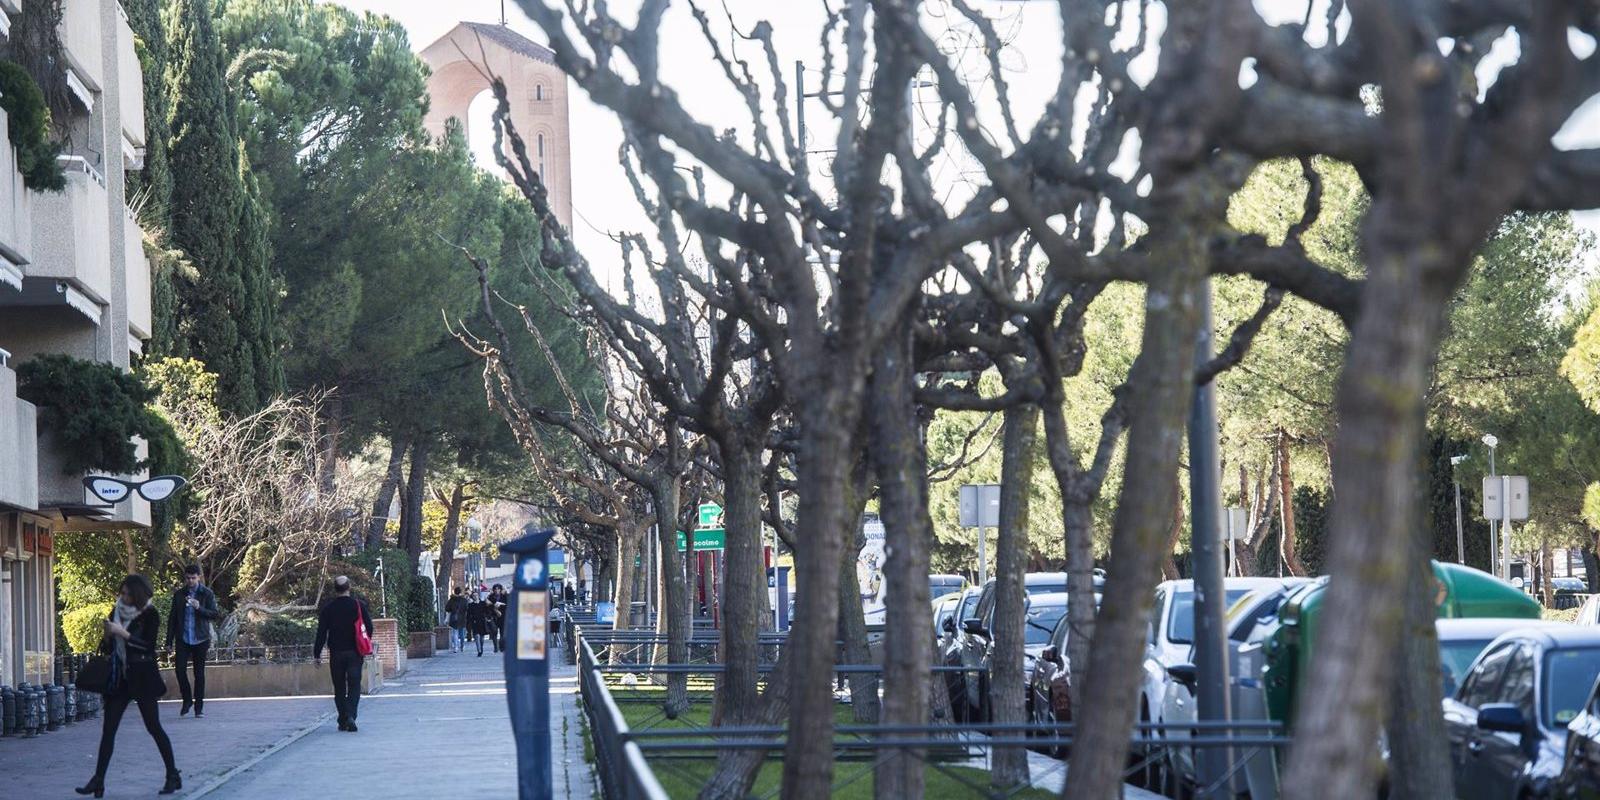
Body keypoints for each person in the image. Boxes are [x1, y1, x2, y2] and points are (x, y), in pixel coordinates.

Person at [77, 574, 181, 797]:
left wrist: (122, 633)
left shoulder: (150, 614)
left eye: (126, 594)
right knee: (108, 730)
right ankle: (98, 780)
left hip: (143, 677)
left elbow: (148, 647)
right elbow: (107, 648)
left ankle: (172, 774)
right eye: (121, 593)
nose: (122, 597)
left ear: (137, 595)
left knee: (153, 727)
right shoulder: (115, 612)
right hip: (120, 679)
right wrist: (107, 635)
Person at [313, 576, 373, 733]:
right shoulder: (358, 606)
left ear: (335, 589)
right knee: (354, 685)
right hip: (355, 653)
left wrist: (317, 654)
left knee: (339, 687)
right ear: (349, 587)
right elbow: (369, 627)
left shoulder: (328, 609)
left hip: (336, 653)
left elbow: (321, 633)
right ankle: (351, 715)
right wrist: (364, 643)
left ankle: (343, 719)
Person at [164, 564, 219, 718]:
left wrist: (199, 607)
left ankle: (198, 708)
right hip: (183, 639)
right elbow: (172, 619)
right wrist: (169, 641)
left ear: (199, 577)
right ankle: (187, 700)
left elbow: (214, 614)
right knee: (179, 670)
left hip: (201, 639)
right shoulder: (179, 594)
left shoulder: (206, 593)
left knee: (199, 674)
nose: (190, 581)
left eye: (193, 578)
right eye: (187, 578)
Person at [444, 587, 469, 653]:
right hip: (462, 618)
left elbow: (447, 608)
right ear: (460, 592)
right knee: (462, 634)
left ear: (454, 592)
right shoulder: (464, 600)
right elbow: (467, 609)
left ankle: (456, 647)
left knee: (455, 633)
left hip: (454, 618)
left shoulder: (451, 600)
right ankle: (462, 646)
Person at [486, 585, 507, 653]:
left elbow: (508, 605)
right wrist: (494, 607)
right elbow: (487, 606)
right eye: (495, 589)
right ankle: (496, 647)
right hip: (493, 617)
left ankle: (502, 647)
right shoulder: (490, 597)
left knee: (502, 633)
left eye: (498, 589)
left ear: (500, 590)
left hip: (503, 617)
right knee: (494, 633)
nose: (496, 590)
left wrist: (500, 605)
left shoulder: (504, 596)